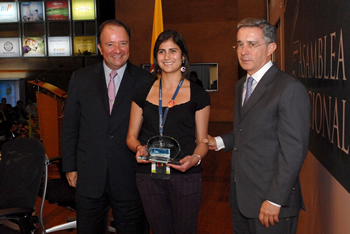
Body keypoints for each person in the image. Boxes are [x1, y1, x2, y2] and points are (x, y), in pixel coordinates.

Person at [203, 18, 311, 233]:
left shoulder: (289, 88)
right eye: (240, 44)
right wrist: (218, 141)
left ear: (271, 48)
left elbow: (293, 151)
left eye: (252, 44)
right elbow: (247, 130)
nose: (244, 51)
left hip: (271, 204)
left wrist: (275, 200)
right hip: (242, 199)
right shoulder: (241, 85)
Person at [61, 19, 152, 234]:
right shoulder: (80, 79)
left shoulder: (146, 81)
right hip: (88, 176)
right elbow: (70, 126)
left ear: (130, 45)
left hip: (130, 176)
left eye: (123, 43)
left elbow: (151, 128)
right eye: (110, 44)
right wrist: (70, 166)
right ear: (100, 48)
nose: (117, 50)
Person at [126, 30, 211, 234]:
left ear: (183, 56)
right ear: (156, 57)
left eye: (173, 51)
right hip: (149, 176)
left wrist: (195, 158)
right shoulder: (142, 92)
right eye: (161, 51)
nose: (167, 56)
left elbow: (202, 141)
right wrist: (138, 148)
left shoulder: (198, 95)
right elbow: (130, 136)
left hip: (185, 175)